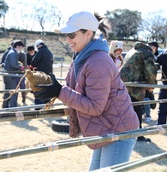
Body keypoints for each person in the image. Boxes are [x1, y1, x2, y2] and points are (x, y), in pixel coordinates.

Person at [33, 11, 139, 170]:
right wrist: (51, 88)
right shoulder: (81, 58)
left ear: (88, 33)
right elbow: (74, 90)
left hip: (119, 131)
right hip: (107, 127)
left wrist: (59, 91)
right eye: (66, 35)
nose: (67, 39)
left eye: (71, 34)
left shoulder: (98, 61)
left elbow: (95, 106)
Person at [120, 42, 157, 142]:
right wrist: (152, 84)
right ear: (153, 48)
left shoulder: (132, 51)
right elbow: (150, 69)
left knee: (127, 110)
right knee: (137, 110)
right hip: (135, 85)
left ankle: (128, 133)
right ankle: (137, 135)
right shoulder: (146, 52)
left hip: (124, 84)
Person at [30, 39, 53, 107]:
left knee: (38, 89)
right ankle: (47, 104)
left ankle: (38, 107)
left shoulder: (41, 51)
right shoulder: (49, 52)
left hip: (41, 75)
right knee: (47, 90)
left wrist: (33, 66)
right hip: (48, 74)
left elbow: (33, 61)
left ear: (38, 45)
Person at [2, 40, 25, 108]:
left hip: (9, 75)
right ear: (17, 46)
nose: (21, 50)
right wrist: (21, 67)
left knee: (8, 91)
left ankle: (5, 106)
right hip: (11, 76)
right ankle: (13, 107)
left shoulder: (13, 52)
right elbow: (13, 64)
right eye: (21, 48)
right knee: (14, 92)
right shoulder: (12, 53)